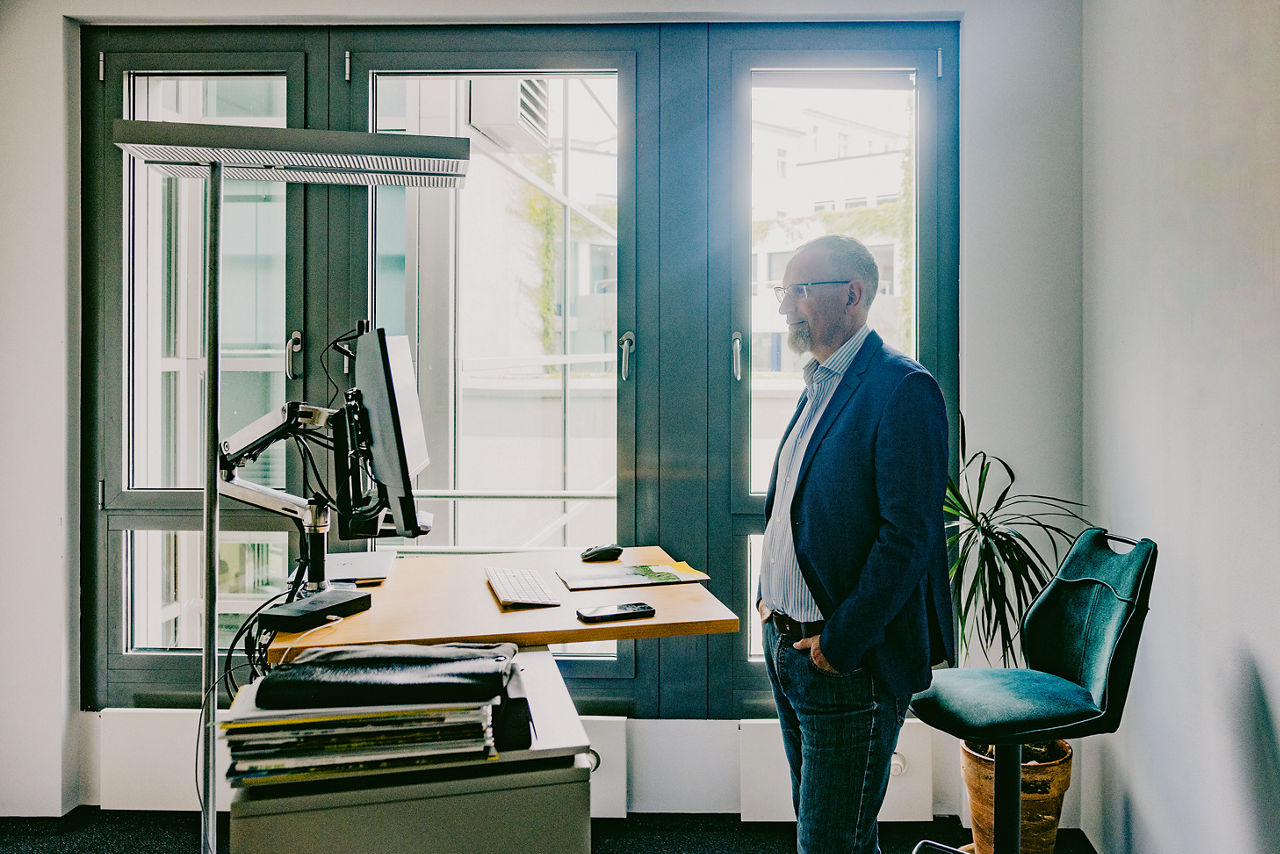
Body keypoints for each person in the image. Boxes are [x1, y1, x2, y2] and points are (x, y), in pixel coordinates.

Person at [757, 234, 954, 854]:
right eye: (782, 290)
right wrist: (770, 602)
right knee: (834, 833)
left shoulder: (902, 387)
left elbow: (909, 537)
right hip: (789, 647)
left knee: (829, 842)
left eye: (798, 290)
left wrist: (840, 644)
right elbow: (799, 508)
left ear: (852, 294)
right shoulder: (819, 383)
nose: (784, 306)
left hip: (847, 663)